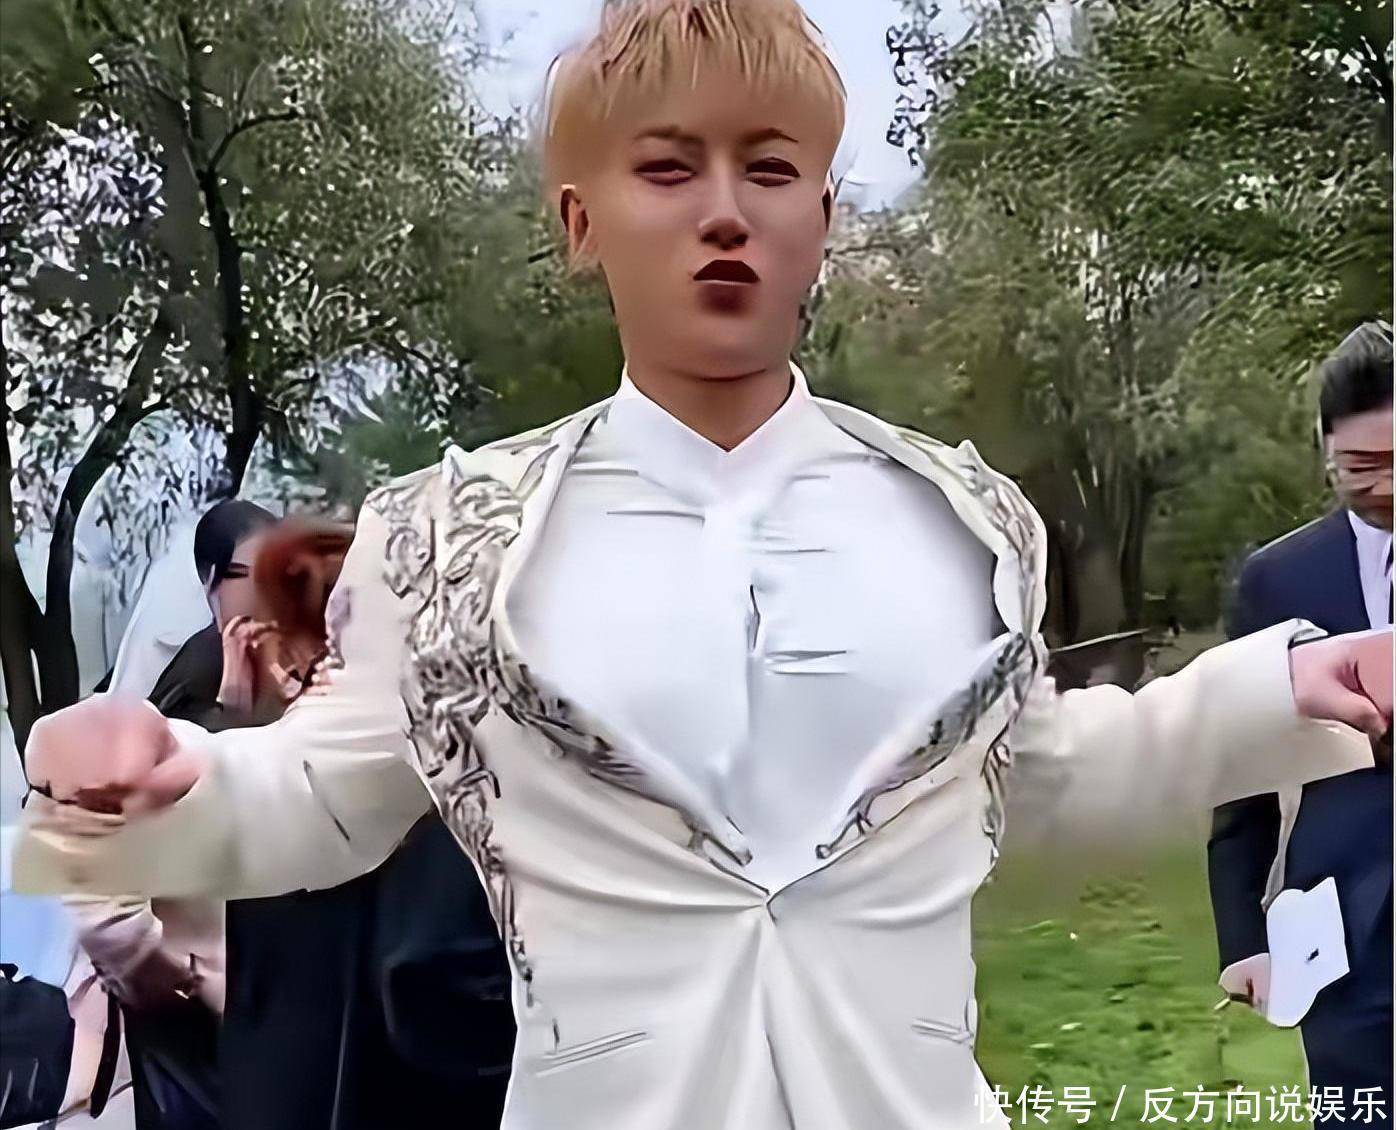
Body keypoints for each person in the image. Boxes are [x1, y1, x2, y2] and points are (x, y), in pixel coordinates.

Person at [12, 3, 1392, 1127]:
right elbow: (324, 790)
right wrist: (163, 776)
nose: (725, 212)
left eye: (771, 169)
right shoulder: (448, 534)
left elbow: (1025, 775)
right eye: (668, 169)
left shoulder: (962, 516)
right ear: (580, 219)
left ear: (824, 217)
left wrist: (1280, 692)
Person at [1209, 323, 1393, 1115]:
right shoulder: (1278, 581)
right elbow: (1241, 768)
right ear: (1325, 451)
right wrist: (1242, 940)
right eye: (1362, 465)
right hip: (1343, 931)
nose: (1387, 486)